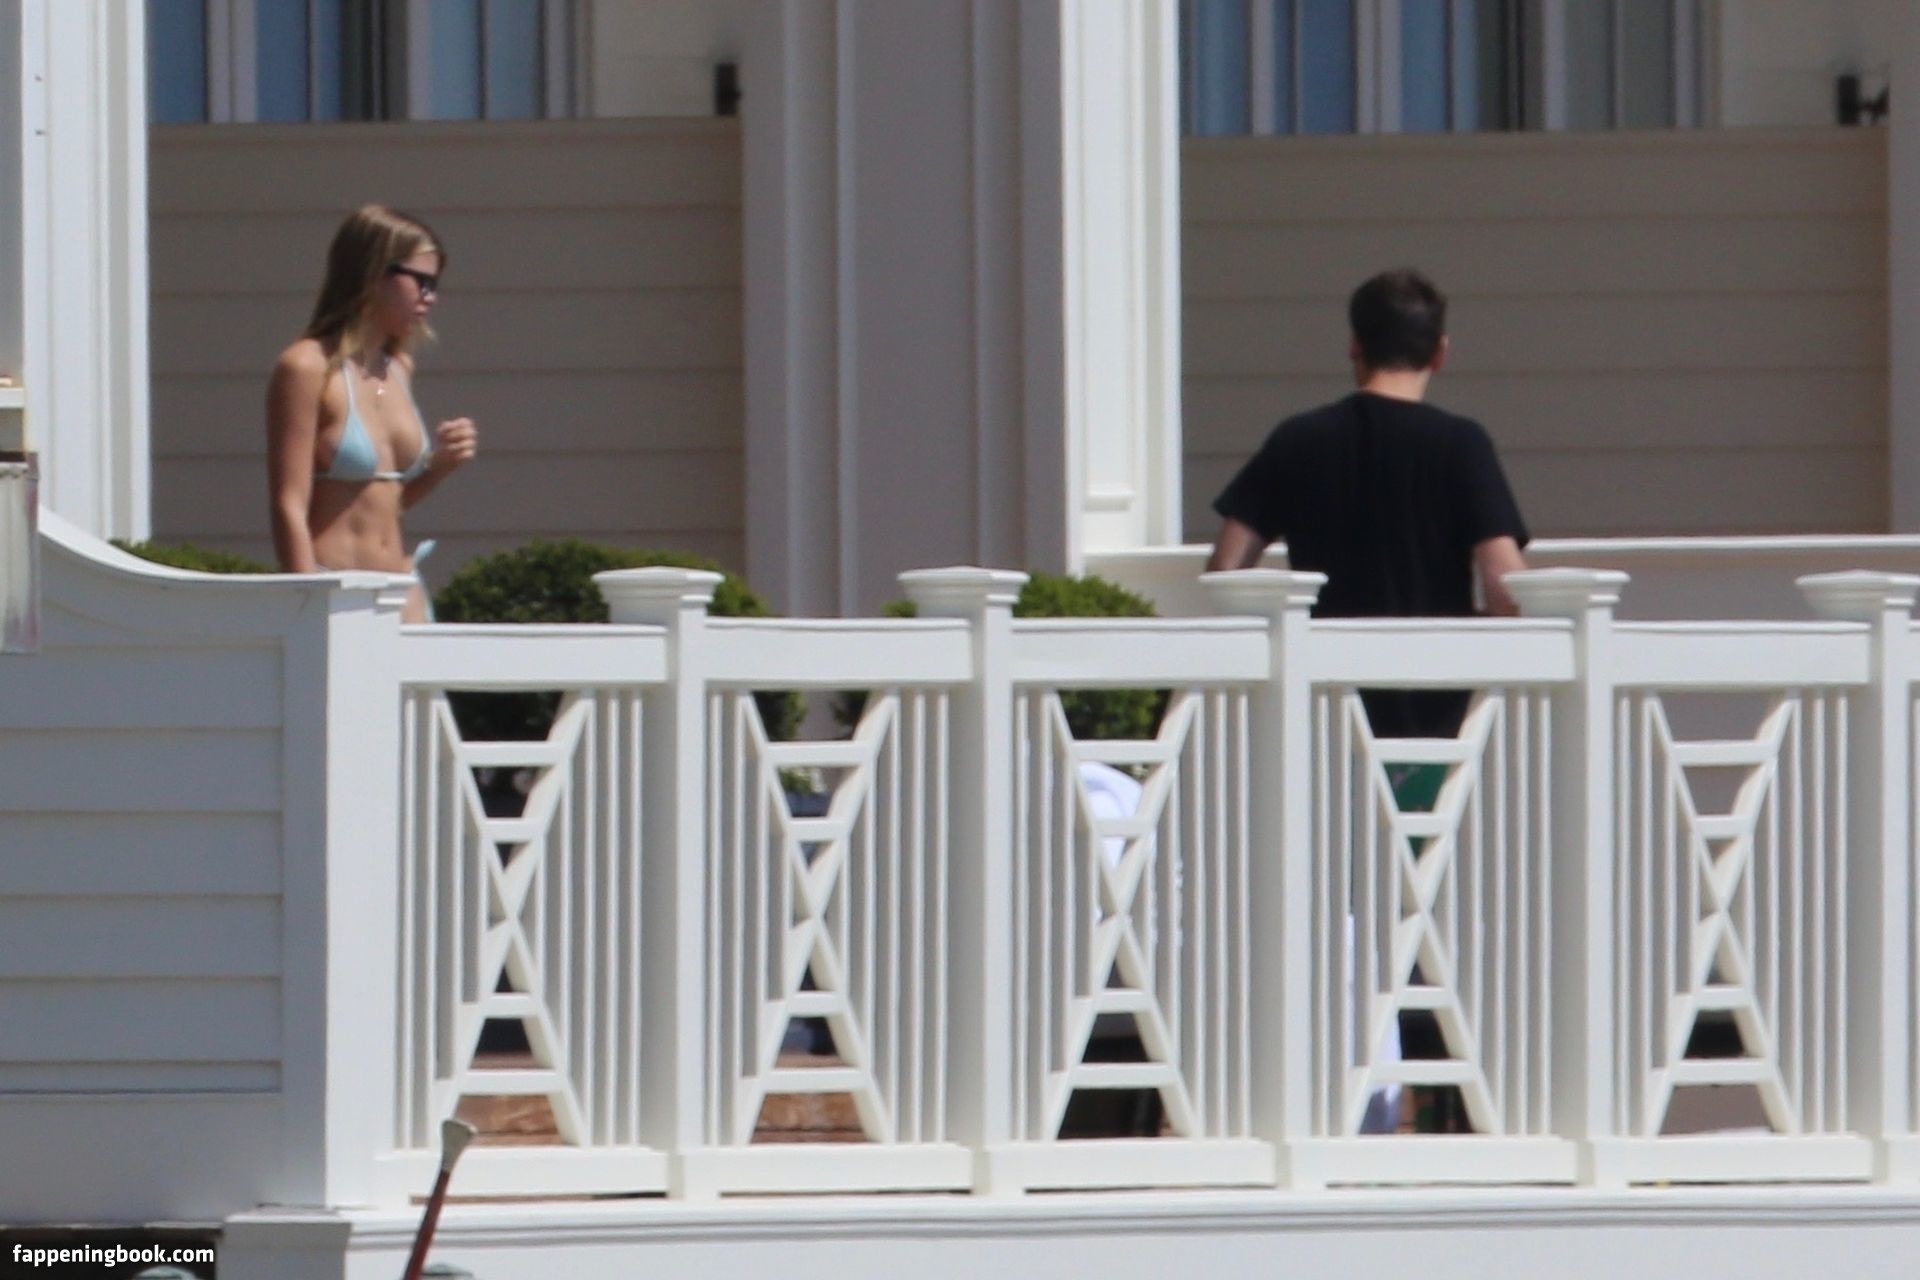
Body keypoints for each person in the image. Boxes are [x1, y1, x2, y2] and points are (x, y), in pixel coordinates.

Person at [1206, 268, 1531, 1133]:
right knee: (1434, 917)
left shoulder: (1298, 441)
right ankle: (1447, 1106)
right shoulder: (1460, 446)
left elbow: (1227, 570)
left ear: (1353, 347)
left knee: (1333, 918)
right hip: (1435, 731)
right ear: (1440, 351)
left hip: (1324, 727)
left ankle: (1329, 1104)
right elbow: (1507, 584)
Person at [267, 204, 477, 623]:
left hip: (402, 589)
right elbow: (288, 503)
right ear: (373, 272)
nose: (430, 297)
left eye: (435, 284)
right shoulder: (306, 367)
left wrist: (439, 467)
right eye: (421, 281)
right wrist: (308, 603)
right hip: (335, 589)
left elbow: (383, 501)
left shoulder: (398, 367)